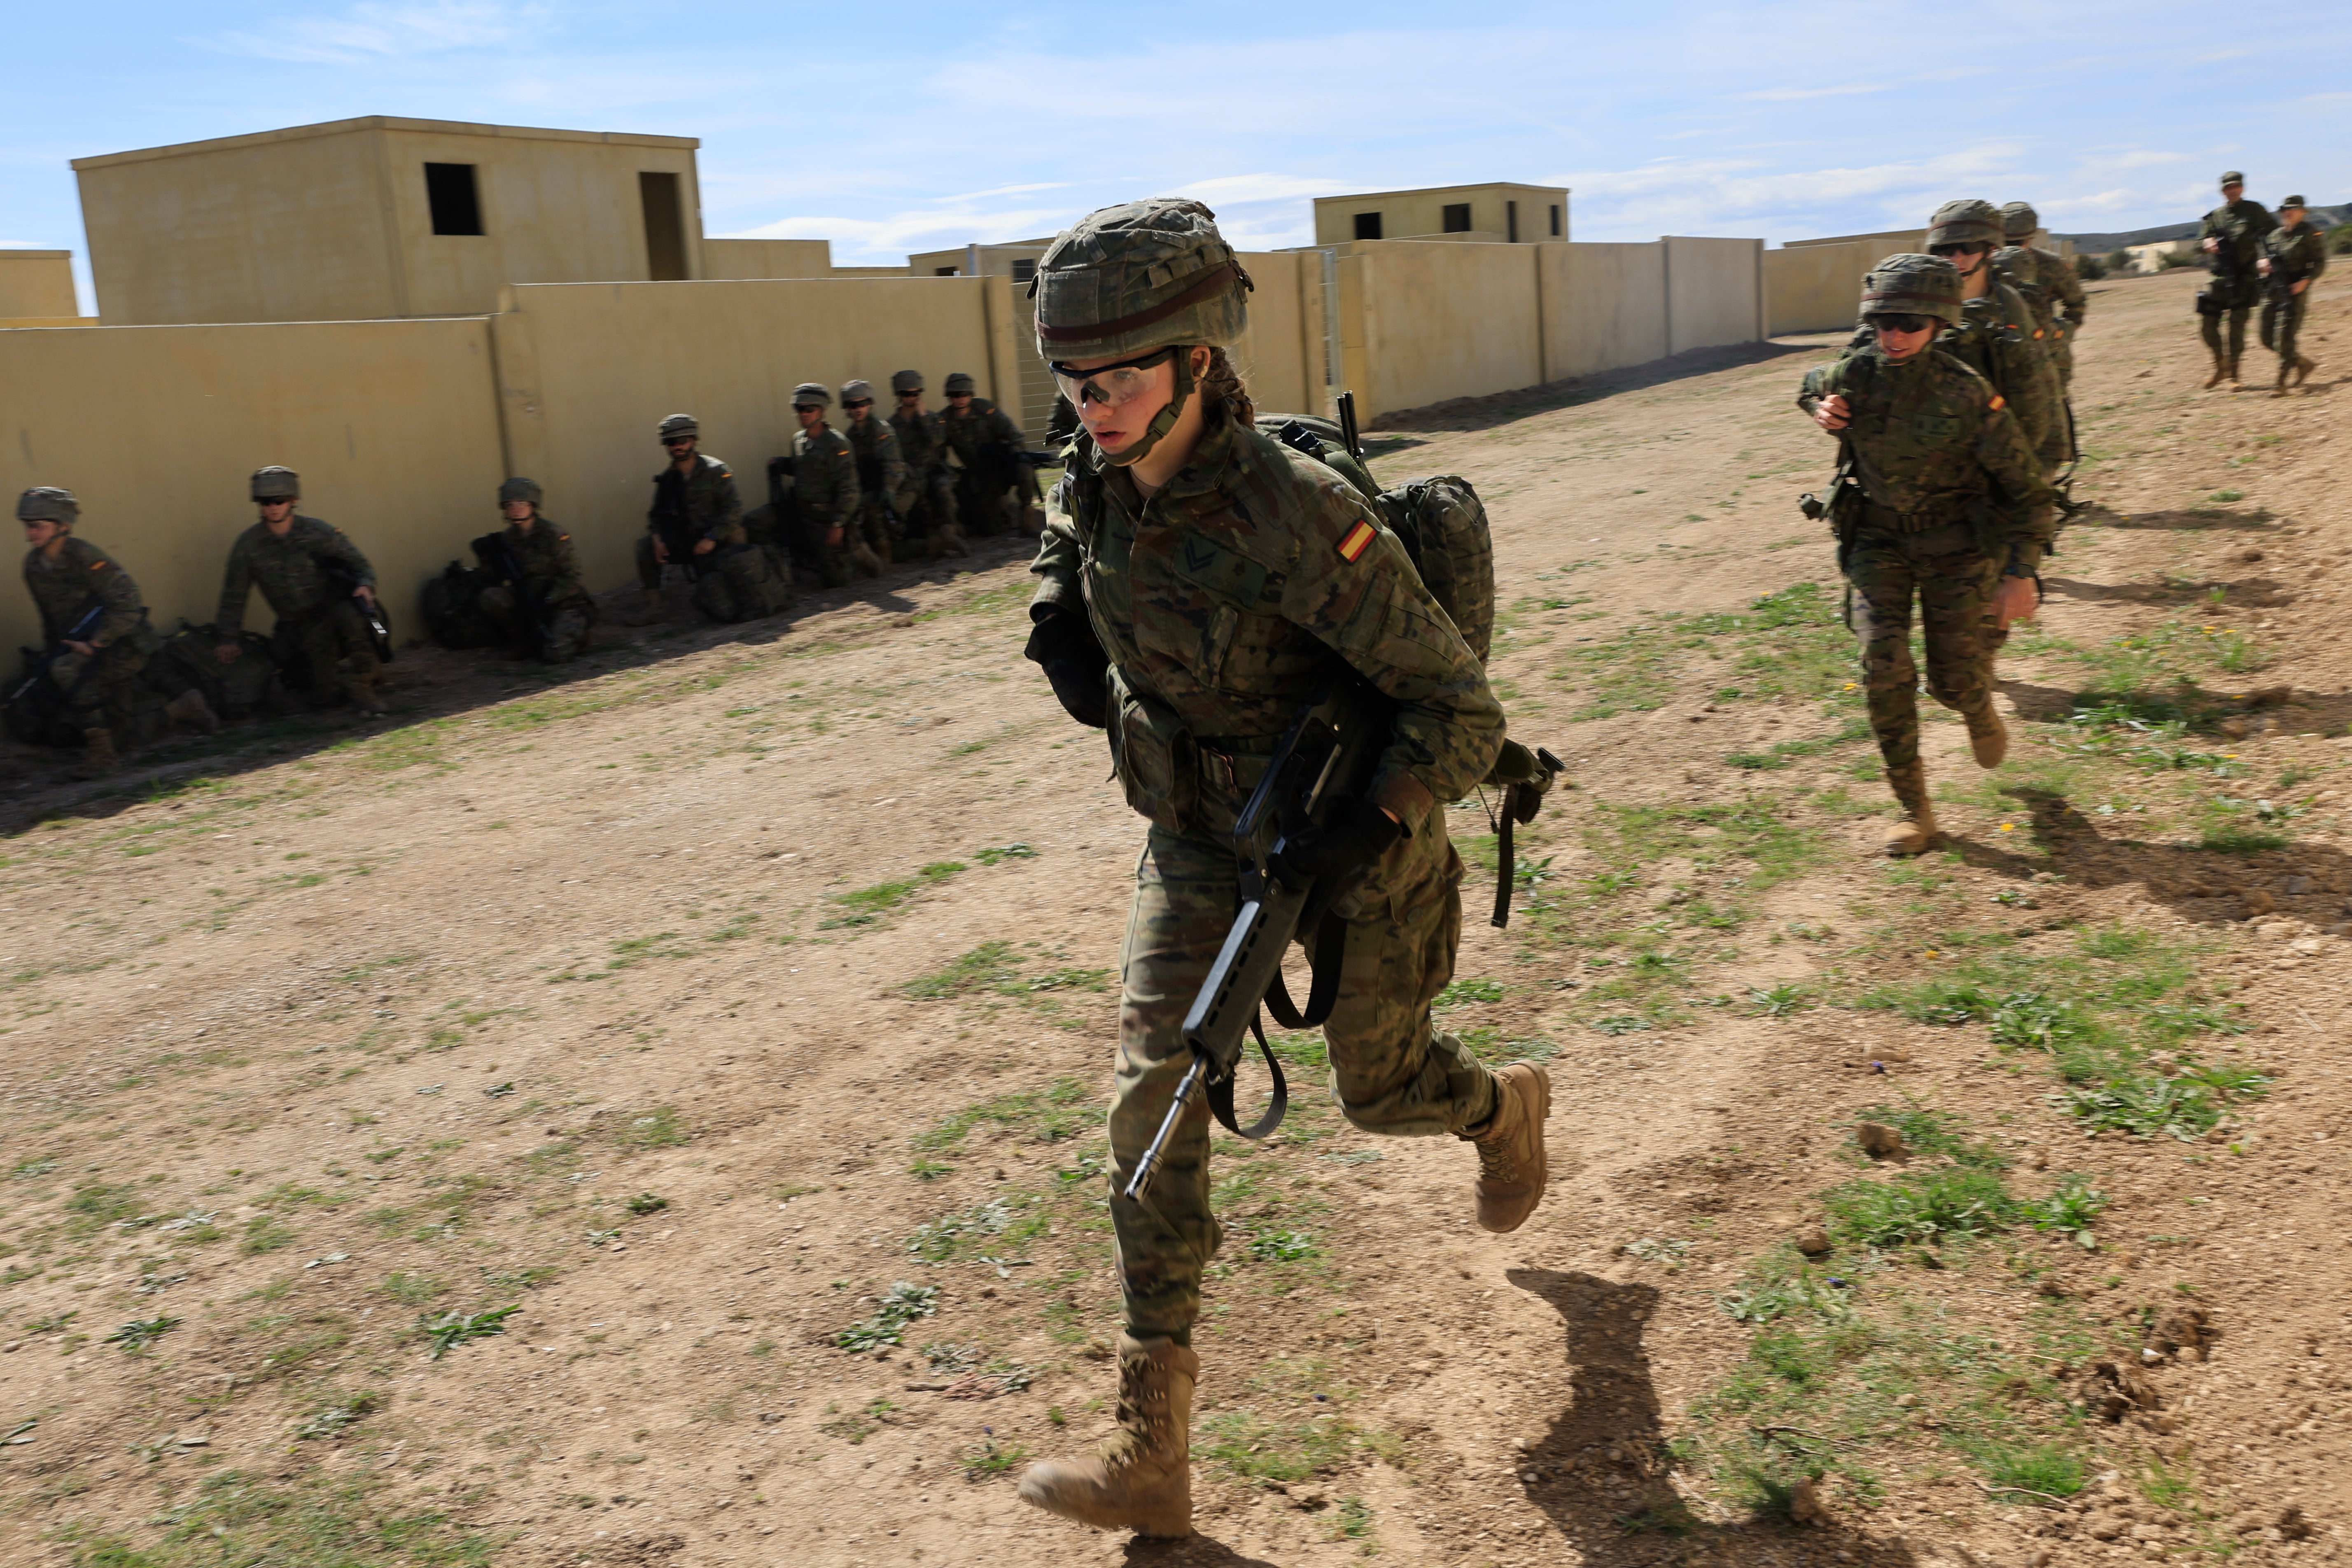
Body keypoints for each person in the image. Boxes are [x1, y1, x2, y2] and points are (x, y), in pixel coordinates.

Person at [1014, 198, 1550, 1540]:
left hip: (1357, 839)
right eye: (1076, 382)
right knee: (1152, 1099)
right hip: (1199, 843)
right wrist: (1056, 608)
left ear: (1200, 360)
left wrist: (1364, 830)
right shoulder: (1091, 475)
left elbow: (1462, 716)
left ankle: (1501, 1111)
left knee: (1382, 1091)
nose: (1096, 405)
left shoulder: (1292, 513)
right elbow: (1066, 532)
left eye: (1125, 375)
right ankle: (1152, 1449)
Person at [1798, 255, 2058, 856]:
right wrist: (1818, 405)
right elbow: (1813, 380)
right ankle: (1917, 811)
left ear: (1940, 324)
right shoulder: (1858, 373)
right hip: (1878, 542)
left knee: (1951, 681)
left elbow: (2029, 491)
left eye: (1911, 323)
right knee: (1882, 664)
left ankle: (1976, 707)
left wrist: (2020, 572)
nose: (1895, 335)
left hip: (1957, 549)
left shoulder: (1969, 394)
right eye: (1884, 321)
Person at [14, 487, 179, 775]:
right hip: (82, 649)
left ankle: (103, 756)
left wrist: (95, 644)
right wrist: (51, 656)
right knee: (119, 734)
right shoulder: (34, 567)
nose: (30, 534)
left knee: (67, 670)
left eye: (37, 526)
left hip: (125, 644)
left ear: (62, 526)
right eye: (28, 526)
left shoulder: (85, 557)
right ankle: (183, 709)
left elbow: (129, 605)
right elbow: (49, 619)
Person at [1906, 200, 2069, 474]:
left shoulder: (2011, 305)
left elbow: (2043, 388)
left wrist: (2044, 467)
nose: (1955, 258)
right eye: (1944, 250)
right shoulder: (1915, 302)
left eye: (1966, 249)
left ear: (1991, 249)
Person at [214, 466, 386, 715]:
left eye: (279, 501)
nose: (272, 507)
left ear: (293, 501)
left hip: (333, 607)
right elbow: (234, 595)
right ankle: (341, 681)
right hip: (296, 623)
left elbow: (360, 564)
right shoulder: (248, 547)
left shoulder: (317, 532)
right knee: (322, 698)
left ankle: (364, 683)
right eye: (265, 502)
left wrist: (365, 585)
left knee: (359, 619)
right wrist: (228, 639)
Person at [635, 413, 745, 624]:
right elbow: (656, 515)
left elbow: (734, 510)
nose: (677, 447)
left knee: (725, 611)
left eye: (682, 441)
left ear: (693, 440)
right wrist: (657, 538)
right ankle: (655, 607)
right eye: (671, 442)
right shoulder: (668, 479)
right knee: (644, 546)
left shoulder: (716, 471)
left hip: (718, 543)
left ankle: (740, 586)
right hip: (687, 542)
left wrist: (712, 538)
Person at [475, 478, 595, 661]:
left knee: (555, 654)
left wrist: (548, 599)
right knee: (490, 597)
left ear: (533, 506)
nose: (515, 509)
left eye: (521, 504)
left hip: (563, 603)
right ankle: (520, 640)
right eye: (510, 505)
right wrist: (486, 558)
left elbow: (573, 577)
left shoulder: (553, 535)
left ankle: (576, 635)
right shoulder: (506, 541)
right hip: (527, 600)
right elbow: (493, 579)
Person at [1995, 201, 2089, 391]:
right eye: (2007, 243)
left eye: (2017, 243)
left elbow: (2076, 304)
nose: (2012, 249)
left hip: (2047, 354)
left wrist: (2059, 335)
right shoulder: (1983, 265)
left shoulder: (2051, 265)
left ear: (2030, 237)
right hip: (1999, 353)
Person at [2197, 173, 2277, 390]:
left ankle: (2234, 376)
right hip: (2219, 280)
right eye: (2228, 188)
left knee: (2237, 329)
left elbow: (2274, 235)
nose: (2232, 190)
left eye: (2236, 187)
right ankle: (2220, 365)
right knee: (2207, 327)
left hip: (2245, 279)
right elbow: (2199, 243)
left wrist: (2265, 257)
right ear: (2223, 191)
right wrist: (2207, 241)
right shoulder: (2215, 217)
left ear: (2242, 188)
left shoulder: (2255, 211)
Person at [789, 383, 870, 586]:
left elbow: (849, 488)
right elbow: (803, 469)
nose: (804, 414)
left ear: (822, 411)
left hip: (828, 518)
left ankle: (861, 554)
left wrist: (838, 523)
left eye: (810, 409)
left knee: (838, 580)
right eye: (800, 409)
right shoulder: (798, 441)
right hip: (805, 516)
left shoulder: (838, 444)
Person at [938, 371, 1031, 537]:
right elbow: (937, 454)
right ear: (949, 397)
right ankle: (1001, 511)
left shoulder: (985, 410)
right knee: (991, 530)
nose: (960, 399)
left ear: (971, 395)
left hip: (1000, 466)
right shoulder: (944, 421)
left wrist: (1013, 456)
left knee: (1024, 466)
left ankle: (1027, 513)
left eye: (964, 394)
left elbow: (1014, 436)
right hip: (978, 476)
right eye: (955, 395)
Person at [887, 370, 966, 558]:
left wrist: (923, 418)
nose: (913, 398)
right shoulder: (891, 426)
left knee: (944, 490)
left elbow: (937, 442)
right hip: (910, 477)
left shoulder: (930, 418)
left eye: (916, 394)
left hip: (933, 471)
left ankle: (950, 532)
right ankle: (933, 541)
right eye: (908, 394)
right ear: (899, 395)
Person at [2258, 196, 2328, 395]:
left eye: (2293, 209)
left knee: (2285, 339)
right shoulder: (2274, 236)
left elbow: (2320, 262)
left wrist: (2305, 282)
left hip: (2294, 293)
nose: (2288, 213)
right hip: (2271, 292)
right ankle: (2302, 363)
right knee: (2266, 339)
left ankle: (2280, 383)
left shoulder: (2310, 233)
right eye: (2285, 210)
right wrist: (2262, 264)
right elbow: (2263, 258)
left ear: (2302, 212)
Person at [840, 379, 910, 569]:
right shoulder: (850, 437)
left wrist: (888, 492)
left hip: (900, 486)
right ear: (846, 409)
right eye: (853, 406)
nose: (858, 409)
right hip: (875, 487)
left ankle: (884, 555)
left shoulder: (881, 430)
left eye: (862, 404)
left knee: (873, 507)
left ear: (870, 404)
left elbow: (894, 466)